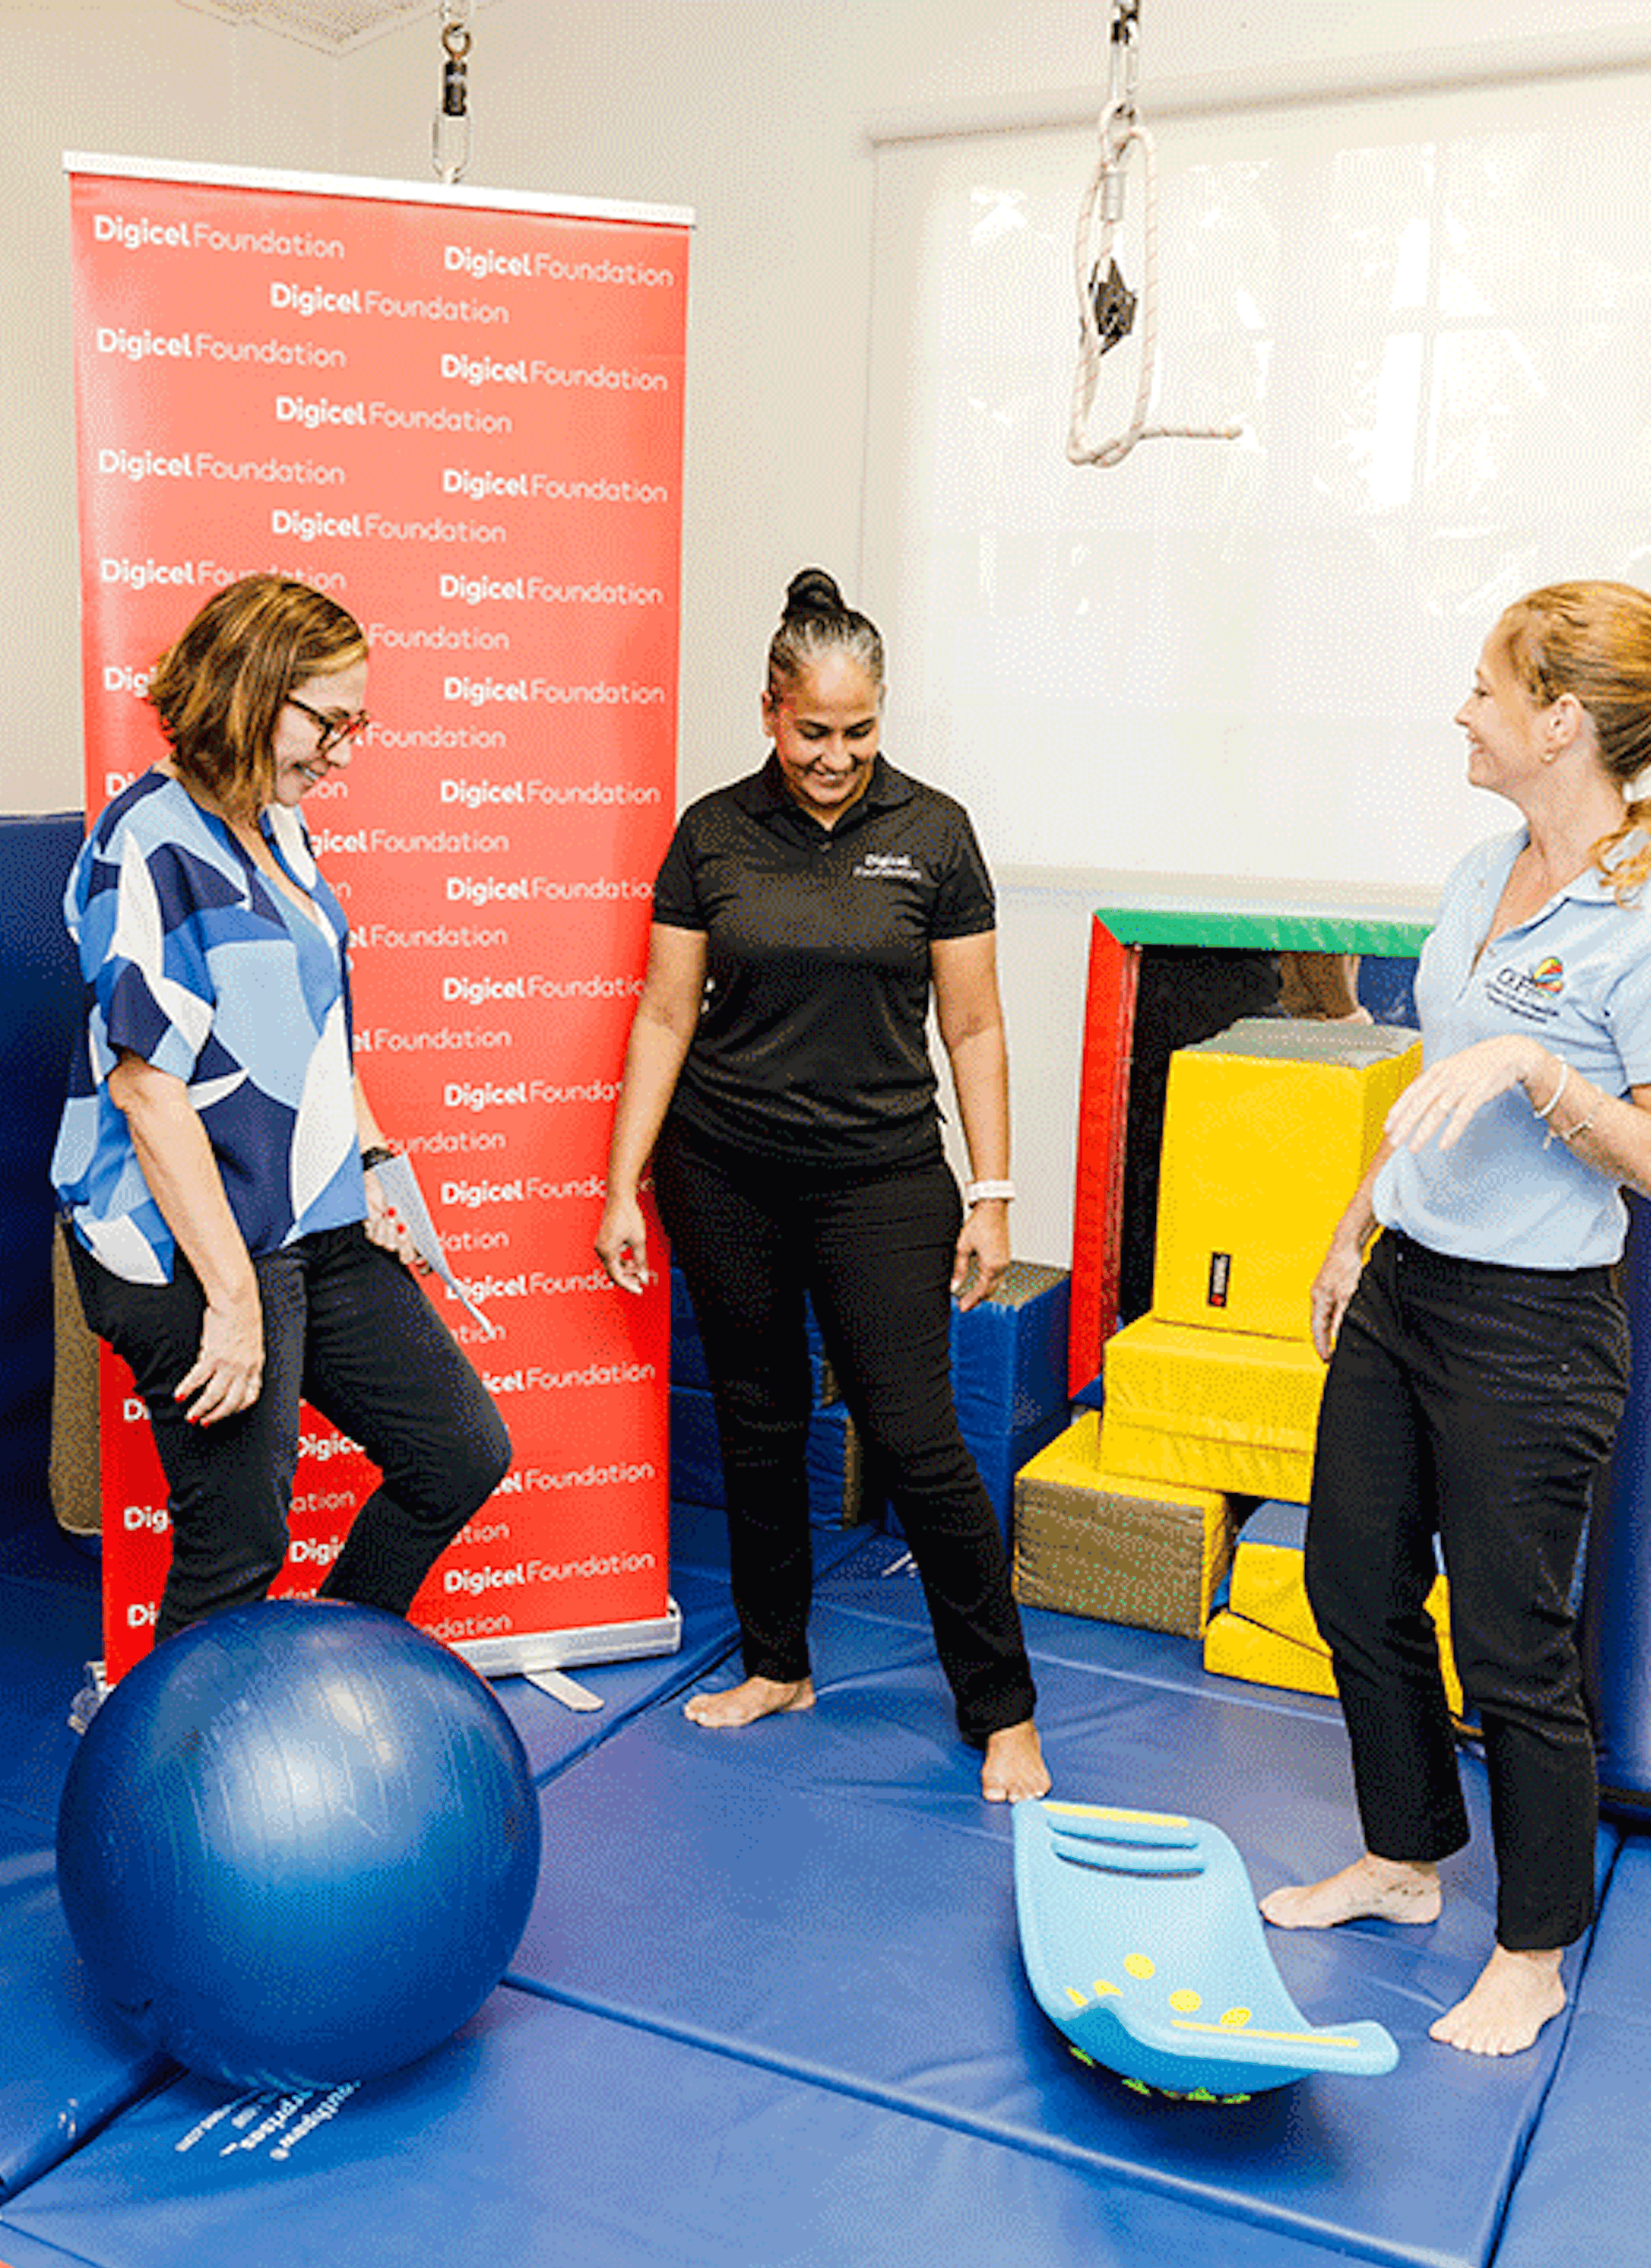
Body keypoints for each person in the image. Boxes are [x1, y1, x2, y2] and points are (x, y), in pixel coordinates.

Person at [1259, 580, 1651, 2057]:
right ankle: (1400, 1858)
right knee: (1349, 1583)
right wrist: (1361, 1213)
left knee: (1515, 1652)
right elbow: (1441, 1073)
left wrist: (1546, 1073)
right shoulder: (1480, 868)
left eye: (1485, 691)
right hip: (1408, 1288)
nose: (1463, 710)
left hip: (1535, 1326)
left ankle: (1535, 1947)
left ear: (1560, 722)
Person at [594, 568, 1049, 1803]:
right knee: (758, 1421)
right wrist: (623, 1178)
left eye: (858, 732)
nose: (836, 757)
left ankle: (1002, 1708)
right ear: (769, 712)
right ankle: (779, 1661)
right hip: (723, 1167)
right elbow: (665, 1013)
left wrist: (992, 1190)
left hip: (881, 1178)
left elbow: (976, 1031)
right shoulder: (713, 834)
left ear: (881, 717)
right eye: (812, 732)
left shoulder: (937, 835)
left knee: (917, 1439)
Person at [55, 573, 511, 1650]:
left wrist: (380, 1171)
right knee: (238, 1546)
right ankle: (170, 1783)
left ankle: (320, 1685)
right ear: (253, 692)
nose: (344, 753)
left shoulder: (280, 826)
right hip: (186, 1240)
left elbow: (312, 1025)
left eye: (358, 724)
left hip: (311, 1220)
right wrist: (233, 1302)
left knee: (457, 1453)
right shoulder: (146, 844)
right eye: (329, 721)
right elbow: (148, 1089)